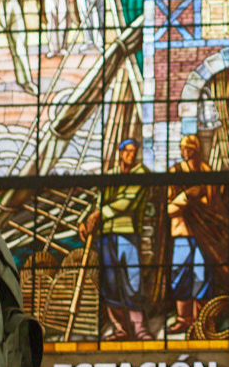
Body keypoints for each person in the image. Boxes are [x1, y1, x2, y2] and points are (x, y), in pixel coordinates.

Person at [78, 138, 154, 340]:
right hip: (105, 236)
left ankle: (140, 329)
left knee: (132, 281)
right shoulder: (111, 174)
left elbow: (127, 202)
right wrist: (83, 220)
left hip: (127, 233)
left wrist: (98, 214)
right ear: (120, 153)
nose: (131, 154)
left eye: (134, 151)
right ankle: (121, 329)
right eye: (127, 151)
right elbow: (98, 200)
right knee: (110, 283)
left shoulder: (141, 174)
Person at [165, 134, 218, 334]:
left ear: (196, 149)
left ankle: (200, 320)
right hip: (181, 233)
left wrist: (200, 202)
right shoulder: (175, 172)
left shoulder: (206, 171)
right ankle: (183, 319)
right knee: (180, 275)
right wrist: (187, 196)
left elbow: (213, 204)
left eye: (189, 148)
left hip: (202, 234)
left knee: (201, 276)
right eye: (182, 148)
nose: (185, 152)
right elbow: (169, 208)